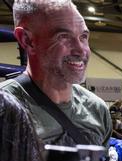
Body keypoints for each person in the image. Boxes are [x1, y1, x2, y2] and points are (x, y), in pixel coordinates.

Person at [0, 0, 111, 147]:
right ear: (27, 40)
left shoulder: (97, 110)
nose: (80, 50)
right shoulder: (4, 108)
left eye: (83, 37)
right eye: (63, 36)